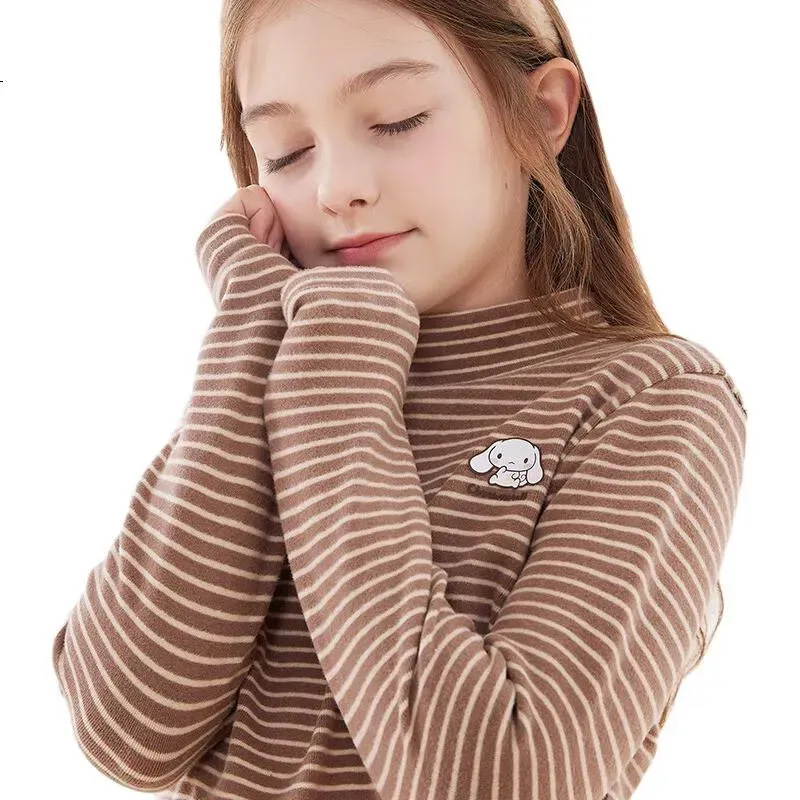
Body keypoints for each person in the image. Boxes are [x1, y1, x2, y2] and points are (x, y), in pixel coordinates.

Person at [51, 1, 748, 798]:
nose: (337, 188)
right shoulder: (282, 363)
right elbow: (128, 732)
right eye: (286, 152)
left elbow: (509, 781)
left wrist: (338, 362)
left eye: (397, 121)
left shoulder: (652, 399)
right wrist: (252, 320)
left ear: (541, 113)